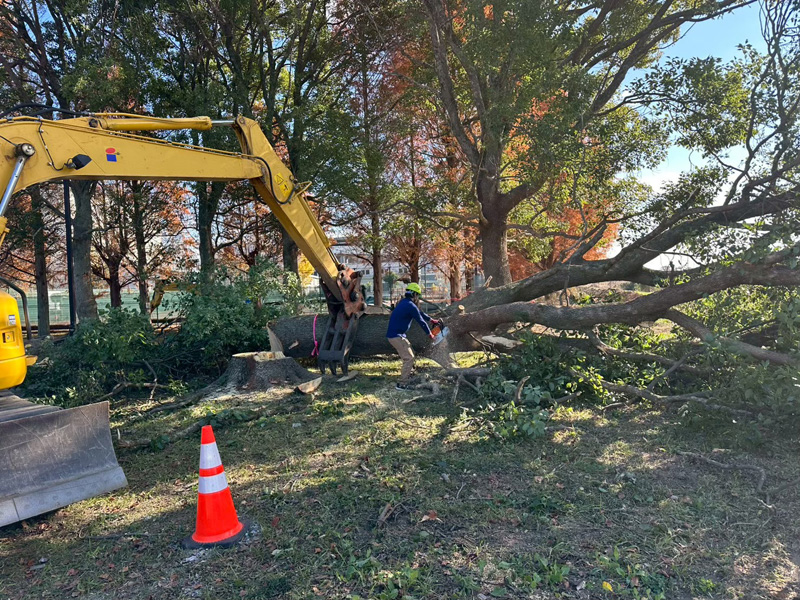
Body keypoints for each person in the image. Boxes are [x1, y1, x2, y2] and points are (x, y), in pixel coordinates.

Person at [386, 282, 442, 390]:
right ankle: (402, 384)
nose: (418, 298)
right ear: (414, 294)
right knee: (409, 358)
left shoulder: (404, 303)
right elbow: (421, 321)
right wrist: (430, 334)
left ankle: (409, 375)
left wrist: (431, 320)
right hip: (396, 336)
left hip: (397, 335)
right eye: (418, 296)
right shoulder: (410, 305)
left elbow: (420, 313)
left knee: (410, 351)